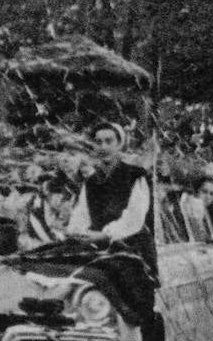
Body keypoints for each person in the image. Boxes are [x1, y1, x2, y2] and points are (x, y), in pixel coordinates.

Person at [66, 123, 158, 317]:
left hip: (131, 247)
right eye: (99, 142)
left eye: (109, 141)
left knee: (135, 306)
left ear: (119, 145)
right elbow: (81, 213)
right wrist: (77, 230)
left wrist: (104, 235)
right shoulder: (91, 182)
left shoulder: (134, 176)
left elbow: (134, 218)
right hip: (99, 246)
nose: (103, 147)